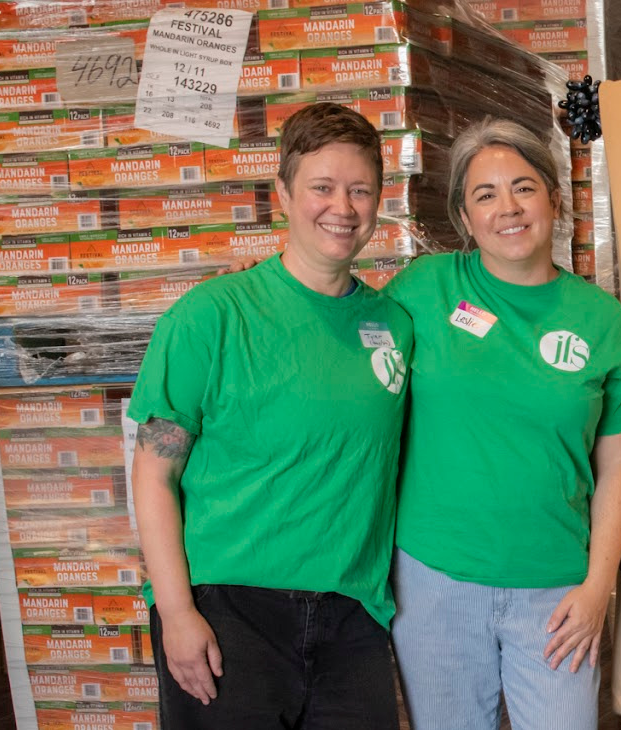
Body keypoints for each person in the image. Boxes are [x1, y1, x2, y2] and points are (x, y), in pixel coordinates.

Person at [130, 102, 411, 729]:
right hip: (229, 612)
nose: (342, 206)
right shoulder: (211, 316)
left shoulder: (394, 324)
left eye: (360, 189)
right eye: (322, 187)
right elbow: (153, 474)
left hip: (352, 615)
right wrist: (176, 613)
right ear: (282, 193)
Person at [385, 117, 621, 730]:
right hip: (434, 582)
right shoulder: (422, 289)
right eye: (485, 195)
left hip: (556, 591)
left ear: (553, 197)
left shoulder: (603, 321)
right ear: (464, 219)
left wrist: (599, 584)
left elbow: (618, 464)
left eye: (523, 186)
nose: (508, 208)